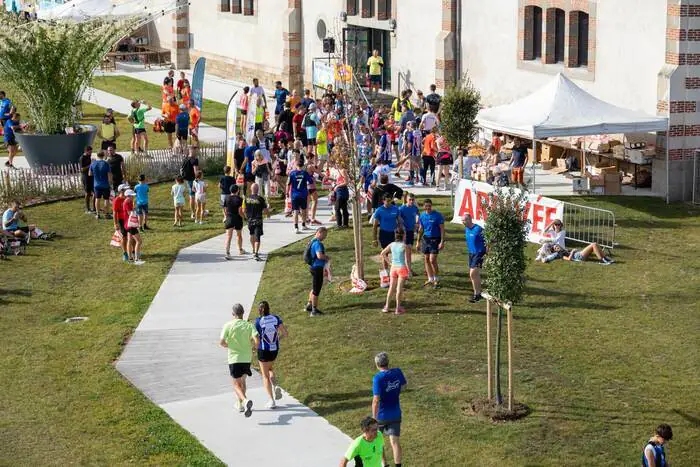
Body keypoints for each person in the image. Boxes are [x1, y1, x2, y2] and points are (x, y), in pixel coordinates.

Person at [219, 303, 259, 418]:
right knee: (243, 381)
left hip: (234, 358)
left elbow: (221, 342)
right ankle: (240, 405)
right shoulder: (249, 325)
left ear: (233, 314)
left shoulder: (228, 325)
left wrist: (230, 346)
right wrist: (254, 349)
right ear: (243, 313)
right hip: (246, 358)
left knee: (236, 384)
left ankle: (245, 401)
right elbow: (257, 341)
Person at [372, 352, 407, 467]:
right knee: (395, 442)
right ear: (388, 362)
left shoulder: (378, 378)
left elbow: (376, 400)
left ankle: (384, 464)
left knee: (379, 441)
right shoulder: (397, 372)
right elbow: (404, 386)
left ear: (377, 364)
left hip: (381, 416)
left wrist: (374, 417)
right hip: (396, 413)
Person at [254, 301, 288, 409]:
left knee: (265, 376)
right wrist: (277, 340)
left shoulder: (258, 321)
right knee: (270, 368)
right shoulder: (276, 318)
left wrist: (255, 348)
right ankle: (276, 385)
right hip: (274, 349)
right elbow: (285, 333)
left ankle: (271, 400)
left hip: (263, 350)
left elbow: (257, 338)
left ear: (259, 310)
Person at [417, 199, 445, 288]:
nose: (428, 207)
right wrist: (418, 241)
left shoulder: (437, 215)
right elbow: (421, 229)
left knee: (432, 260)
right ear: (424, 207)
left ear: (431, 206)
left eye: (429, 206)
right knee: (426, 259)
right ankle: (430, 278)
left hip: (435, 239)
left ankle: (436, 278)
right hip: (425, 239)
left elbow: (442, 229)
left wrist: (442, 241)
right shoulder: (422, 216)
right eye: (426, 206)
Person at [380, 230, 409, 314]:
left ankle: (387, 307)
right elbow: (407, 260)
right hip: (402, 268)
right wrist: (409, 270)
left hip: (393, 269)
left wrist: (389, 263)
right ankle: (398, 308)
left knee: (391, 288)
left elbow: (382, 253)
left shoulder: (391, 245)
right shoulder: (405, 246)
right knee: (399, 289)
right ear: (403, 236)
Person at [372, 193, 402, 272]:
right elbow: (375, 225)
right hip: (384, 234)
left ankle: (396, 269)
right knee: (385, 253)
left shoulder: (396, 209)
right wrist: (374, 239)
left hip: (394, 234)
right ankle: (386, 271)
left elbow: (399, 222)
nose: (389, 203)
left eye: (390, 201)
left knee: (396, 252)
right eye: (387, 201)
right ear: (383, 201)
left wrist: (401, 232)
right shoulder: (379, 210)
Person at [305, 227, 328, 317]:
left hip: (313, 267)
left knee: (314, 287)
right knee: (316, 290)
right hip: (317, 268)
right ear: (319, 233)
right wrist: (327, 257)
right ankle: (314, 311)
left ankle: (309, 305)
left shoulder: (312, 241)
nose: (325, 237)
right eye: (324, 235)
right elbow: (319, 256)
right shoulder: (317, 243)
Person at [463, 213, 486, 303]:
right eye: (462, 220)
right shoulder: (466, 229)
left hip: (479, 253)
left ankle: (477, 294)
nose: (463, 222)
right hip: (471, 253)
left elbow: (488, 238)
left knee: (472, 273)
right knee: (474, 275)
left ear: (470, 219)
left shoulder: (478, 229)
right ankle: (477, 294)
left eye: (464, 220)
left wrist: (487, 250)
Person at [287, 158, 313, 234]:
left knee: (295, 211)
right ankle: (303, 225)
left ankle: (296, 227)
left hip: (294, 195)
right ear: (303, 165)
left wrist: (286, 193)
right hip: (303, 194)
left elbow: (288, 183)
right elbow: (310, 181)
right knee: (304, 210)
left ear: (296, 165)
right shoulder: (304, 173)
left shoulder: (292, 173)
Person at [244, 183, 269, 261]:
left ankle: (253, 250)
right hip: (258, 220)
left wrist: (246, 217)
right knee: (257, 237)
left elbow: (243, 209)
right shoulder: (260, 199)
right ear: (258, 189)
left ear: (251, 189)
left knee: (252, 235)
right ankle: (256, 253)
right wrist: (268, 213)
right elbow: (265, 210)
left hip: (250, 221)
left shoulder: (246, 198)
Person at [398, 193, 419, 274]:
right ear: (406, 199)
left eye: (413, 200)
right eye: (410, 199)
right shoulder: (402, 209)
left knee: (409, 250)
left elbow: (417, 216)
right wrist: (402, 229)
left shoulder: (415, 208)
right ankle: (408, 270)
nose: (411, 201)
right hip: (405, 232)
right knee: (407, 251)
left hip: (411, 231)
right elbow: (399, 220)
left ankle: (408, 269)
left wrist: (417, 224)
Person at [89, 150, 112, 220]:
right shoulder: (106, 164)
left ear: (97, 155)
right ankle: (106, 214)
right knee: (106, 199)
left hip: (96, 184)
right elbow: (109, 175)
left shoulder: (93, 164)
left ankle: (98, 214)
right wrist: (110, 183)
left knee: (97, 199)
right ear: (103, 155)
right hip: (105, 184)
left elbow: (90, 174)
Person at [223, 184, 245, 258]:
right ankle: (240, 250)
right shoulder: (240, 199)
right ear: (238, 190)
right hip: (237, 219)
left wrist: (225, 216)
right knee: (239, 235)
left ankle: (227, 252)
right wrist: (244, 217)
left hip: (229, 218)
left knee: (229, 236)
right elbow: (240, 211)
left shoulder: (227, 198)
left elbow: (225, 209)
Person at [123, 189, 143, 264]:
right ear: (128, 196)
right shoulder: (127, 203)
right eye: (132, 196)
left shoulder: (129, 202)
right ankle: (137, 258)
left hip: (127, 225)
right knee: (139, 241)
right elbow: (130, 214)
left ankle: (130, 258)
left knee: (129, 240)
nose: (133, 197)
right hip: (131, 225)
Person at [180, 146, 199, 218]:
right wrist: (198, 179)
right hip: (193, 180)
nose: (196, 152)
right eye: (195, 150)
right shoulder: (194, 160)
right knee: (195, 196)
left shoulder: (186, 158)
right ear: (192, 151)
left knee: (191, 196)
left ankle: (193, 212)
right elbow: (195, 171)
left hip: (187, 180)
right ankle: (196, 211)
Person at [112, 184, 129, 262]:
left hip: (128, 219)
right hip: (121, 220)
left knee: (132, 236)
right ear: (121, 191)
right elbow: (115, 213)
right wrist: (115, 224)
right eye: (125, 189)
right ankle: (125, 253)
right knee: (124, 237)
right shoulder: (116, 200)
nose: (127, 190)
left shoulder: (128, 198)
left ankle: (132, 251)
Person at [79, 146, 94, 214]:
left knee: (94, 192)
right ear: (86, 151)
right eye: (89, 152)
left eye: (91, 151)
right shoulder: (82, 158)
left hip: (90, 176)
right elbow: (82, 169)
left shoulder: (89, 156)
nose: (91, 153)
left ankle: (94, 207)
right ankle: (87, 209)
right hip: (85, 177)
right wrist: (90, 165)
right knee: (87, 193)